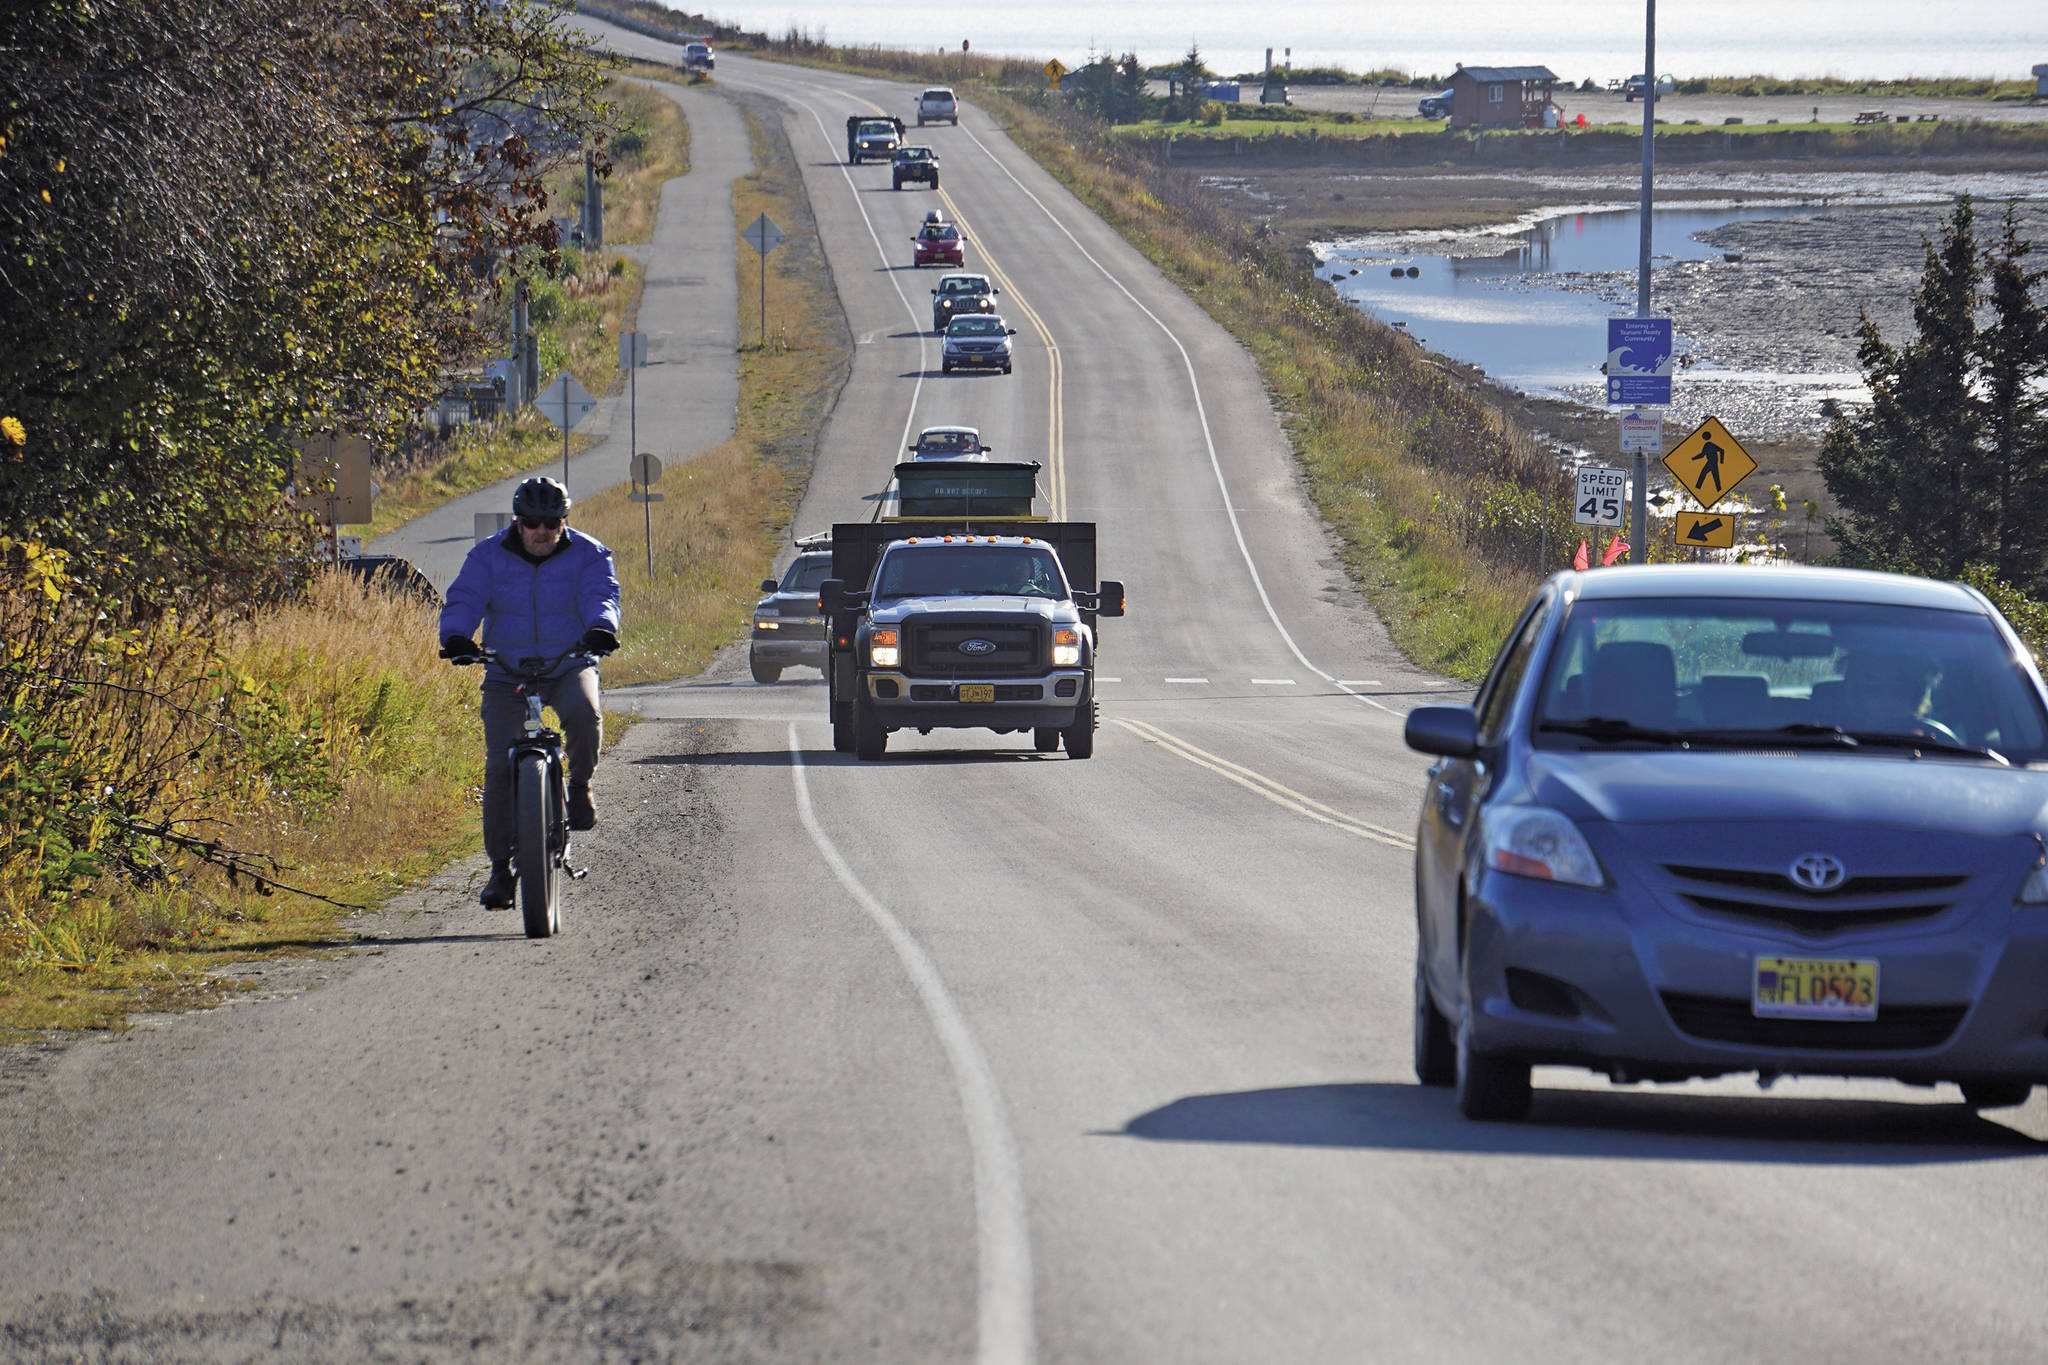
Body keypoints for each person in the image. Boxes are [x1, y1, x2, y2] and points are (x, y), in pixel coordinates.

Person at [440, 477, 621, 909]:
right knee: (500, 766)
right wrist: (457, 638)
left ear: (564, 522)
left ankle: (579, 786)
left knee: (583, 714)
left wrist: (602, 629)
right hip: (507, 670)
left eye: (552, 523)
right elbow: (463, 599)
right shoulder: (487, 556)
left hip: (568, 662)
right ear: (517, 522)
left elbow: (603, 597)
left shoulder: (590, 554)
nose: (542, 531)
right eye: (532, 522)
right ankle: (500, 871)